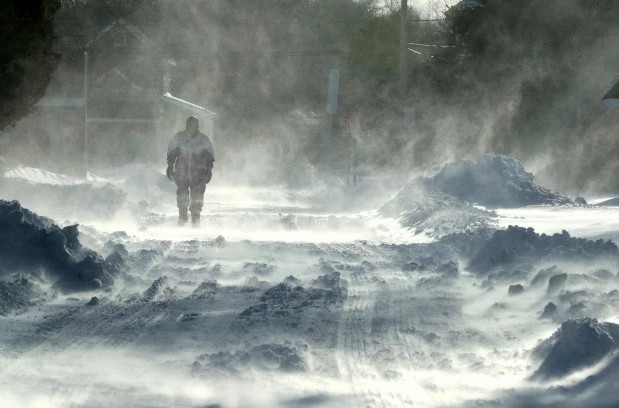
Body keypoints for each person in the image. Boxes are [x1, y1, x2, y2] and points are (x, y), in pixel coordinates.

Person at [166, 116, 215, 227]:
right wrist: (170, 166)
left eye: (194, 125)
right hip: (182, 170)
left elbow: (209, 156)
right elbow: (171, 154)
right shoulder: (179, 138)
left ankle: (195, 218)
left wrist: (208, 170)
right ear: (186, 125)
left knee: (197, 196)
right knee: (182, 193)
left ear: (198, 126)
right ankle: (182, 215)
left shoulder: (203, 140)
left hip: (198, 172)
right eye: (190, 125)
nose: (192, 128)